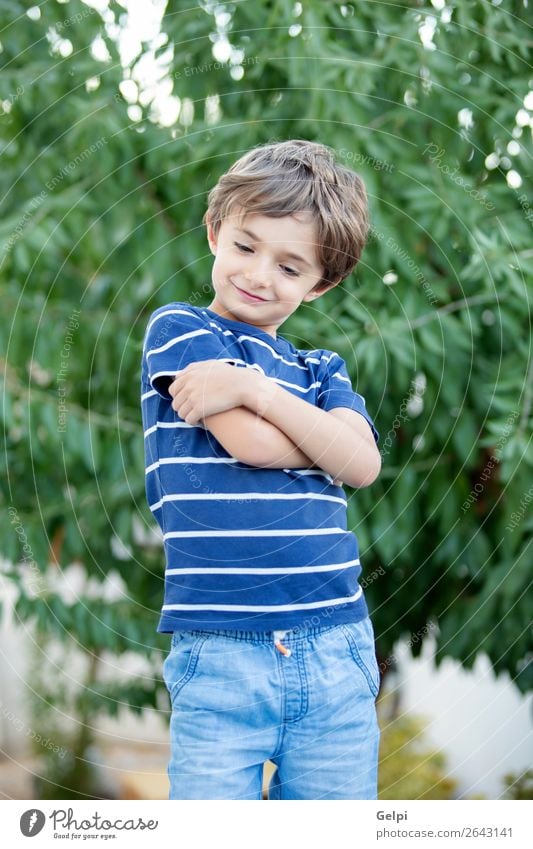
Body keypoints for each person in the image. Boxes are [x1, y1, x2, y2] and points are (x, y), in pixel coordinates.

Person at [141, 139, 382, 800]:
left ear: (320, 283)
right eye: (245, 247)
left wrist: (256, 391)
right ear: (215, 232)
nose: (257, 274)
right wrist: (326, 442)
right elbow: (249, 443)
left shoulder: (321, 370)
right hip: (219, 653)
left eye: (289, 265)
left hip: (335, 645)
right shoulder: (183, 331)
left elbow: (363, 463)